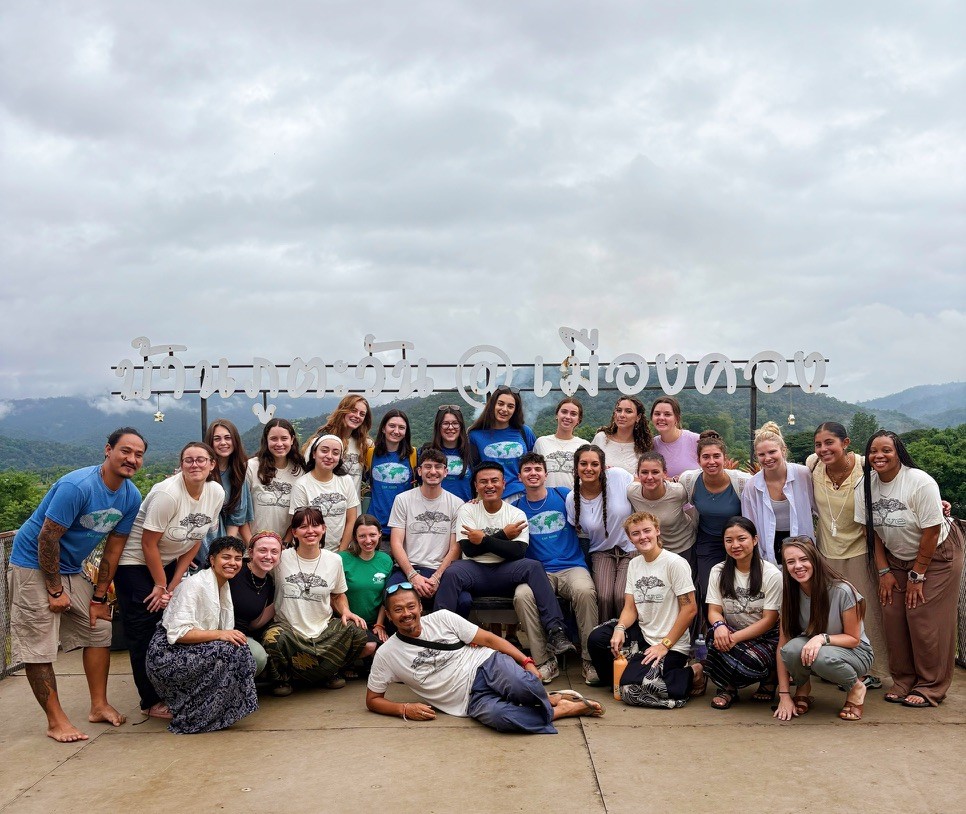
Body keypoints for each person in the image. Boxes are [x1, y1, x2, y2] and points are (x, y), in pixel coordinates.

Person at [9, 427, 146, 742]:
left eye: (138, 454)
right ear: (108, 450)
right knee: (40, 646)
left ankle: (98, 705)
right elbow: (47, 538)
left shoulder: (130, 495)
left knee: (98, 630)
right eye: (125, 450)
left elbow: (114, 548)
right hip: (32, 563)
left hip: (73, 566)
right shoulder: (78, 485)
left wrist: (99, 596)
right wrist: (55, 590)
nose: (132, 459)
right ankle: (56, 721)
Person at [366, 584, 604, 732]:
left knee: (521, 684)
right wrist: (404, 708)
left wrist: (526, 661)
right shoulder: (386, 654)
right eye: (398, 610)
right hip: (467, 701)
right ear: (388, 615)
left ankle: (544, 698)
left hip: (486, 665)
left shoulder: (442, 618)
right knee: (503, 719)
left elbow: (489, 640)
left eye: (411, 606)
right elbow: (373, 699)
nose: (406, 614)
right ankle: (560, 709)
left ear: (420, 606)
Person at [115, 442, 224, 719]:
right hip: (135, 564)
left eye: (201, 460)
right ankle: (149, 701)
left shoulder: (215, 492)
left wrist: (174, 583)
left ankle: (172, 688)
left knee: (172, 622)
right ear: (181, 465)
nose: (195, 465)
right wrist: (160, 586)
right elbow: (148, 544)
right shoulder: (168, 494)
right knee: (144, 628)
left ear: (212, 464)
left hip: (168, 563)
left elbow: (195, 538)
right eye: (188, 460)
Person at [858, 430, 964, 707]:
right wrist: (884, 573)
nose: (879, 456)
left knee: (923, 618)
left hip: (937, 555)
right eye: (873, 451)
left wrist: (917, 576)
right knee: (892, 613)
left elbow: (930, 533)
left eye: (886, 450)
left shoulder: (919, 482)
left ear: (899, 453)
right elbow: (874, 534)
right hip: (896, 557)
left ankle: (930, 686)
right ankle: (903, 679)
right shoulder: (865, 485)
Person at [434, 462, 576, 658]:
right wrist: (503, 536)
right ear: (476, 486)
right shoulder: (467, 510)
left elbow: (517, 551)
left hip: (506, 572)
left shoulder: (515, 513)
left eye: (494, 481)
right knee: (452, 572)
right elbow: (469, 549)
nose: (489, 486)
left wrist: (483, 539)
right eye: (483, 482)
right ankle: (438, 637)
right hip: (475, 572)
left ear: (504, 484)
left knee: (533, 566)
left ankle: (556, 631)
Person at [587, 512, 705, 706]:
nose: (642, 537)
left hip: (670, 642)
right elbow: (630, 607)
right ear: (630, 538)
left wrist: (664, 645)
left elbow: (690, 609)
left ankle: (692, 672)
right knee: (597, 638)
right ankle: (623, 679)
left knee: (633, 692)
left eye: (647, 531)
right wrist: (619, 629)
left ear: (657, 531)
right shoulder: (634, 564)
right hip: (642, 635)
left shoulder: (675, 563)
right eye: (636, 533)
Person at [145, 536, 258, 734]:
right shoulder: (195, 584)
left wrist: (224, 635)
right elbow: (178, 634)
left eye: (238, 558)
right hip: (167, 655)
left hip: (190, 649)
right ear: (212, 559)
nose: (232, 563)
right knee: (228, 650)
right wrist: (220, 634)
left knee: (239, 649)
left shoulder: (222, 584)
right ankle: (194, 717)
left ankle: (216, 712)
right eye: (226, 557)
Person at [809, 421, 889, 687]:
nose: (823, 449)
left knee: (866, 612)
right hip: (826, 552)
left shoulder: (867, 466)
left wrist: (939, 503)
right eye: (819, 444)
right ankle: (836, 667)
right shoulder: (813, 465)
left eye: (829, 442)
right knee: (831, 612)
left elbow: (902, 479)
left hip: (859, 551)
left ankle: (872, 671)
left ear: (845, 443)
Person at [261, 507, 372, 696]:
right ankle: (283, 678)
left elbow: (338, 594)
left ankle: (330, 671)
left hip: (323, 629)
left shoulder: (334, 560)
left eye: (315, 525)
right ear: (294, 532)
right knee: (272, 638)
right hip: (289, 629)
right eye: (303, 527)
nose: (310, 531)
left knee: (359, 632)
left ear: (324, 529)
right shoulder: (281, 557)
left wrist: (345, 611)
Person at [510, 453, 599, 685]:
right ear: (520, 476)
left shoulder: (564, 495)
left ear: (546, 474)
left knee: (585, 592)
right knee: (522, 595)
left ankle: (590, 659)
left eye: (537, 469)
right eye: (527, 470)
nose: (533, 473)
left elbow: (593, 498)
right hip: (539, 572)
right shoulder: (516, 509)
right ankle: (543, 661)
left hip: (572, 566)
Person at [773, 537, 872, 722]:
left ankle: (855, 687)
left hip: (855, 653)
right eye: (790, 562)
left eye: (804, 559)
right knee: (791, 649)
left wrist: (821, 638)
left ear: (815, 559)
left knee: (820, 657)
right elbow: (782, 647)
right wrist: (784, 695)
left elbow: (853, 639)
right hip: (818, 651)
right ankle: (802, 687)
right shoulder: (790, 595)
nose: (798, 566)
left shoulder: (842, 590)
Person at [705, 517, 781, 709]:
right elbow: (714, 610)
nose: (735, 545)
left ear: (754, 540)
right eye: (729, 540)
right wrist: (720, 626)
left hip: (766, 636)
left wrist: (735, 638)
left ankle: (770, 676)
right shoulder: (718, 571)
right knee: (712, 638)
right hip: (732, 631)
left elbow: (770, 619)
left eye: (741, 538)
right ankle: (728, 687)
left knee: (751, 661)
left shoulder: (771, 574)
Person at [679, 431, 751, 607]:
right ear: (699, 460)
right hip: (708, 540)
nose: (711, 462)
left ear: (725, 458)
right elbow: (671, 497)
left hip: (738, 540)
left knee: (739, 586)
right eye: (706, 457)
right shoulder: (689, 480)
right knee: (708, 587)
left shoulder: (742, 482)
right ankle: (712, 628)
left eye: (716, 456)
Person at [386, 447, 464, 608]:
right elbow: (396, 543)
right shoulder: (403, 500)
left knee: (464, 601)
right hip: (409, 567)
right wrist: (412, 575)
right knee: (393, 596)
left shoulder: (457, 504)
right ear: (420, 471)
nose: (433, 471)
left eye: (438, 467)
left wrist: (437, 577)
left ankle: (444, 634)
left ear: (446, 471)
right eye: (428, 467)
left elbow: (455, 548)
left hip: (441, 570)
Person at [566, 444, 636, 620]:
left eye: (595, 464)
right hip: (601, 552)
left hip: (631, 548)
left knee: (622, 596)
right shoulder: (572, 499)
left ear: (603, 467)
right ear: (576, 468)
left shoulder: (618, 476)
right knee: (604, 596)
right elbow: (579, 533)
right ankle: (604, 638)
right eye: (583, 464)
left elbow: (642, 487)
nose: (589, 469)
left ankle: (628, 639)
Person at [741, 422, 815, 565]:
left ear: (783, 450)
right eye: (761, 454)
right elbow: (749, 524)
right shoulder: (752, 486)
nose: (767, 458)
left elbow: (818, 506)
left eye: (772, 452)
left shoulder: (803, 474)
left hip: (802, 539)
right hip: (769, 543)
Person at [290, 434, 360, 551]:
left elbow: (351, 519)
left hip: (340, 551)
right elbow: (299, 525)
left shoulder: (346, 481)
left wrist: (341, 552)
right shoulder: (302, 485)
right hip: (310, 551)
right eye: (324, 451)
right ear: (314, 453)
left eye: (335, 453)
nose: (329, 456)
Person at [228, 529, 283, 678]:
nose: (268, 556)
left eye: (274, 552)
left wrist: (283, 598)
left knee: (258, 657)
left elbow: (254, 623)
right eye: (262, 550)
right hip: (217, 632)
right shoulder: (235, 570)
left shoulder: (269, 583)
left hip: (241, 637)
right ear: (251, 552)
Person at [468, 385, 536, 498]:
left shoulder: (524, 432)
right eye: (500, 404)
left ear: (515, 410)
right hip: (490, 496)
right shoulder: (475, 435)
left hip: (521, 495)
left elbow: (534, 464)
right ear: (492, 405)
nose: (504, 409)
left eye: (510, 406)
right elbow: (472, 471)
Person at [201, 419, 254, 560]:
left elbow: (236, 517)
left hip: (222, 541)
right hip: (198, 541)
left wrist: (224, 551)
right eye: (217, 439)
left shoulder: (238, 473)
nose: (223, 443)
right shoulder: (203, 471)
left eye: (228, 438)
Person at [626, 452, 696, 558]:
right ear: (638, 474)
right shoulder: (632, 493)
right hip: (652, 550)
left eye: (655, 472)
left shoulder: (678, 492)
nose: (649, 477)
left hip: (683, 548)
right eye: (644, 472)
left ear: (664, 474)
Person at [340, 515, 393, 653]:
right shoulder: (342, 559)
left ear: (380, 534)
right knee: (370, 646)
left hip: (374, 622)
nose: (368, 540)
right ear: (355, 537)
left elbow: (385, 598)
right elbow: (335, 595)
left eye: (372, 535)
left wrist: (380, 624)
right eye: (362, 536)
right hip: (349, 621)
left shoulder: (386, 560)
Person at [246, 418, 305, 540]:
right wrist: (252, 545)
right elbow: (240, 511)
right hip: (251, 547)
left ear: (292, 440)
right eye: (273, 439)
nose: (279, 444)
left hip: (282, 548)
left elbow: (298, 514)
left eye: (284, 438)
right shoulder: (251, 467)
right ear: (266, 441)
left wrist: (285, 543)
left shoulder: (300, 472)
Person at [304, 395, 373, 497]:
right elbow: (307, 475)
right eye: (353, 410)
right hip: (324, 504)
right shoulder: (321, 442)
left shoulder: (365, 445)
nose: (357, 416)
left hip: (353, 508)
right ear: (343, 410)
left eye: (362, 414)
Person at [365, 409, 416, 538]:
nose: (396, 431)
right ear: (383, 428)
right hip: (374, 526)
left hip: (403, 526)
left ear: (406, 432)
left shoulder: (413, 455)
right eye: (392, 426)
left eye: (401, 427)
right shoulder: (370, 454)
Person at [533, 397, 586, 488]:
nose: (567, 417)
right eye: (564, 412)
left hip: (574, 498)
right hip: (547, 498)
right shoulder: (541, 442)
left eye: (573, 414)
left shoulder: (584, 446)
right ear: (557, 415)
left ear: (578, 420)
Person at [591, 396, 652, 476]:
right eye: (619, 410)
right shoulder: (601, 438)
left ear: (638, 417)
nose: (622, 415)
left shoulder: (643, 446)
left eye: (628, 411)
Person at [649, 396, 700, 478]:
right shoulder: (651, 445)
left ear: (677, 418)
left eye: (667, 414)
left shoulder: (696, 440)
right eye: (657, 414)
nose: (661, 418)